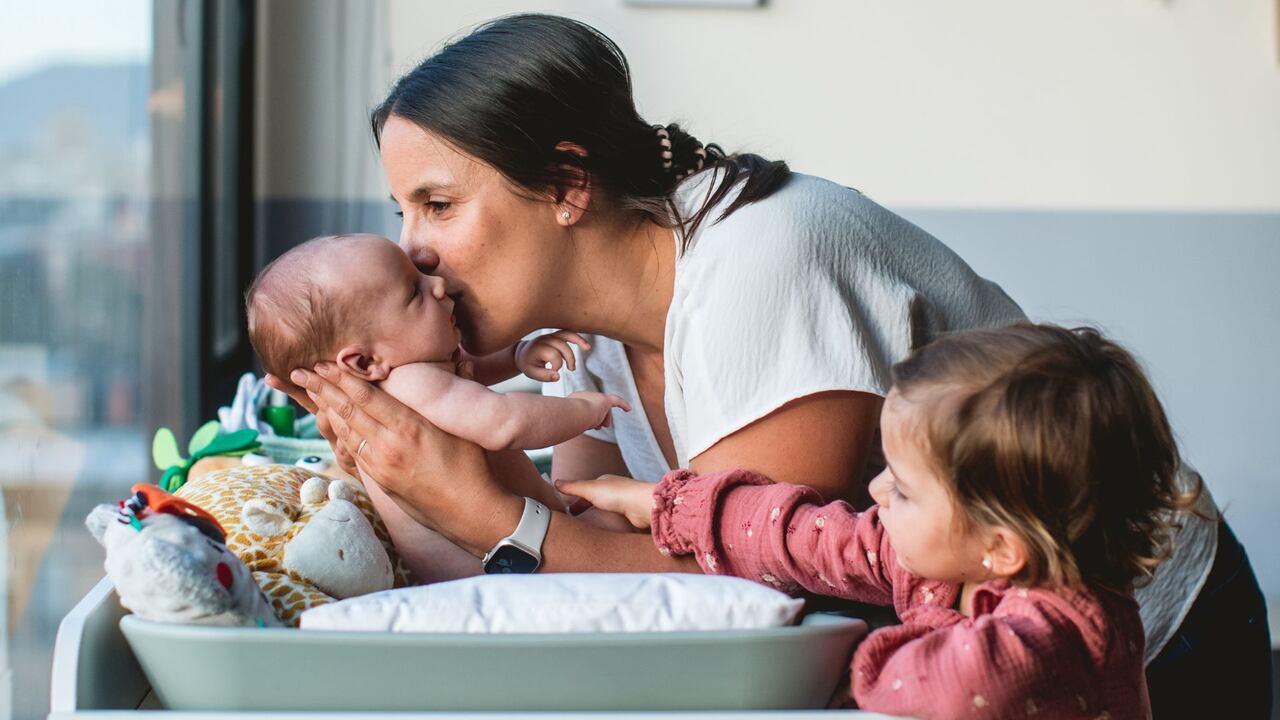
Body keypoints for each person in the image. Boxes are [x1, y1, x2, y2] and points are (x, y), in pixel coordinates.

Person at [275, 13, 1269, 713]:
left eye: (438, 205)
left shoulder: (769, 262)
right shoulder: (583, 340)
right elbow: (583, 551)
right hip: (951, 647)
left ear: (566, 185)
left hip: (1130, 639)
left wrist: (472, 505)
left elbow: (723, 570)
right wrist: (409, 474)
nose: (410, 246)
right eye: (400, 210)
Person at [559, 324, 1201, 717]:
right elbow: (806, 539)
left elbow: (951, 687)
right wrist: (668, 504)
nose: (875, 491)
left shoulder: (1059, 636)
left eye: (904, 487)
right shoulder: (946, 555)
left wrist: (824, 661)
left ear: (1003, 547)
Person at [246, 232, 629, 578]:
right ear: (364, 363)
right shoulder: (413, 383)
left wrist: (517, 355)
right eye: (415, 292)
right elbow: (506, 423)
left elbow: (464, 369)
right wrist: (584, 409)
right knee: (624, 517)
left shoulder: (398, 384)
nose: (439, 284)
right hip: (486, 573)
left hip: (502, 547)